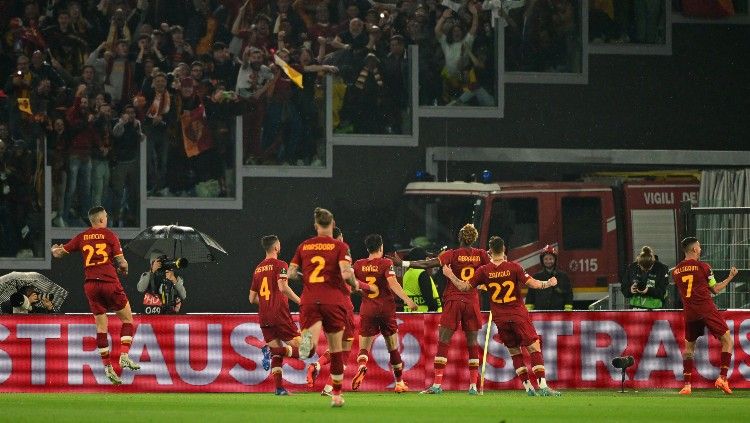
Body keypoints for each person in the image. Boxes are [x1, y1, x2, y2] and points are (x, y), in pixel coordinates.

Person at [442, 236, 562, 396]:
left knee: (514, 351)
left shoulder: (483, 271)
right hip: (517, 314)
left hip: (500, 318)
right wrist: (548, 283)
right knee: (534, 346)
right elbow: (532, 283)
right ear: (504, 249)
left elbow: (464, 287)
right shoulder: (514, 267)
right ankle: (543, 386)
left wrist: (450, 275)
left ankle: (528, 387)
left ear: (490, 251)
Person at [395, 223, 490, 395]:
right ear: (474, 238)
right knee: (472, 343)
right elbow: (491, 271)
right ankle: (473, 386)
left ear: (460, 238)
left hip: (454, 300)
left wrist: (403, 262)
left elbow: (427, 264)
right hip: (472, 302)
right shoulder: (481, 254)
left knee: (444, 341)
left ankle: (437, 385)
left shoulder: (451, 254)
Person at [51, 206, 140, 385]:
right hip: (108, 282)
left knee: (101, 326)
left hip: (91, 284)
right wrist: (125, 268)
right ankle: (123, 355)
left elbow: (59, 253)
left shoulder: (82, 237)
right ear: (100, 219)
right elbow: (121, 262)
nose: (107, 219)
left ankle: (107, 368)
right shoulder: (109, 235)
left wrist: (54, 250)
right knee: (127, 319)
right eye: (105, 216)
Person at [288, 207, 362, 407]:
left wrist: (308, 279)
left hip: (310, 300)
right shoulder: (340, 246)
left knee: (308, 349)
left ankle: (298, 347)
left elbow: (291, 273)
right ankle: (336, 395)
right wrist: (355, 285)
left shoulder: (304, 246)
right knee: (337, 350)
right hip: (334, 301)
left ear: (315, 226)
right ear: (333, 224)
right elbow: (347, 274)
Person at [351, 234, 417, 393]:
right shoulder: (386, 263)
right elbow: (392, 282)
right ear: (381, 247)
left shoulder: (358, 265)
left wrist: (363, 290)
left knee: (364, 348)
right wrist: (407, 300)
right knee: (393, 348)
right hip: (386, 309)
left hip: (368, 309)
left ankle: (361, 366)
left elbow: (352, 286)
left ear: (367, 248)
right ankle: (399, 383)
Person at [306, 226, 368, 396]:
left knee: (335, 348)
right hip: (343, 308)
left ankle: (316, 365)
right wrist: (366, 287)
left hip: (323, 308)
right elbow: (350, 281)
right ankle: (329, 388)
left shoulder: (316, 257)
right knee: (345, 353)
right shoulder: (342, 254)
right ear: (339, 239)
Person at [673, 237, 738, 395]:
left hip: (690, 313)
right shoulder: (704, 267)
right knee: (728, 341)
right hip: (706, 309)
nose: (700, 249)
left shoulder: (675, 271)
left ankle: (687, 385)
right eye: (699, 247)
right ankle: (722, 378)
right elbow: (715, 289)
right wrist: (730, 277)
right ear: (694, 249)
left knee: (689, 348)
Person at [249, 235, 302, 396]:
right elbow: (283, 287)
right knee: (306, 349)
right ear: (276, 248)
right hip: (279, 314)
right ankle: (273, 351)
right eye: (279, 244)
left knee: (278, 354)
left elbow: (251, 299)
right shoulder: (281, 265)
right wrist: (301, 301)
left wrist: (266, 303)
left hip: (264, 317)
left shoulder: (257, 269)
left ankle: (279, 388)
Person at [620, 246, 670, 310]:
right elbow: (624, 288)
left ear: (652, 263)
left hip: (656, 310)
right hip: (635, 310)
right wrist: (630, 290)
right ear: (638, 263)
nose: (645, 271)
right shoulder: (632, 268)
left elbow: (663, 291)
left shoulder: (661, 268)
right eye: (643, 269)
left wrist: (648, 291)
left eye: (648, 269)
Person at [527, 245, 573, 311]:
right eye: (546, 259)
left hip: (558, 314)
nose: (548, 261)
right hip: (540, 314)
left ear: (555, 260)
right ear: (542, 261)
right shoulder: (536, 277)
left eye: (550, 259)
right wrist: (529, 313)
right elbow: (530, 296)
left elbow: (569, 294)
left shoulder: (563, 276)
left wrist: (567, 311)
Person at [401, 247, 442, 312]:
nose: (428, 260)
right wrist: (435, 307)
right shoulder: (422, 273)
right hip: (425, 316)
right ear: (421, 260)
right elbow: (429, 299)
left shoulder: (407, 274)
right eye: (426, 258)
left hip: (410, 315)